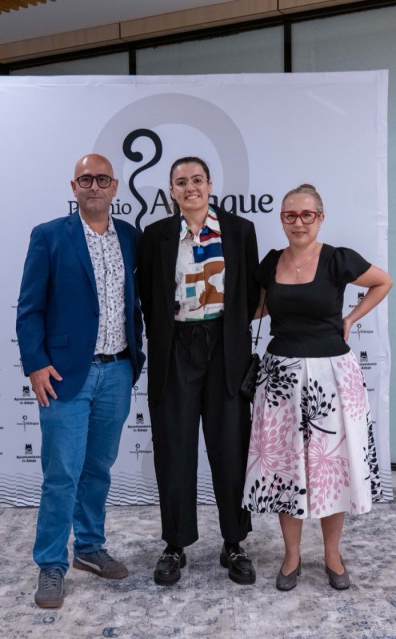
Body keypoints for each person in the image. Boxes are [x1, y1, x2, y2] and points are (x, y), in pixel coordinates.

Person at [241, 183, 392, 592]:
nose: (299, 222)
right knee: (285, 469)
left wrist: (351, 318)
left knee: (332, 468)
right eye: (290, 215)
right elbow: (259, 308)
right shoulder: (270, 263)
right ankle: (291, 557)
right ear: (281, 220)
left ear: (320, 218)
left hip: (332, 375)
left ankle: (332, 555)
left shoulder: (338, 259)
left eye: (307, 215)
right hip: (281, 377)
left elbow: (383, 281)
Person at [16, 153, 145, 609]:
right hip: (65, 374)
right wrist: (35, 364)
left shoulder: (130, 237)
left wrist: (135, 357)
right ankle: (51, 564)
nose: (94, 186)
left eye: (102, 179)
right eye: (86, 179)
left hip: (118, 370)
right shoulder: (49, 235)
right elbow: (29, 307)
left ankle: (89, 547)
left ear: (114, 187)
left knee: (98, 469)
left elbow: (137, 302)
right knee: (62, 474)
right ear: (74, 187)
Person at [138, 156, 260, 586]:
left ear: (210, 185)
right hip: (176, 348)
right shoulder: (155, 235)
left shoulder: (240, 231)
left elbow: (249, 294)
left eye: (197, 180)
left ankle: (234, 542)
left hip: (224, 348)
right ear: (171, 190)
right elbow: (148, 296)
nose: (190, 187)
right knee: (174, 448)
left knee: (230, 448)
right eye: (181, 182)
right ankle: (175, 544)